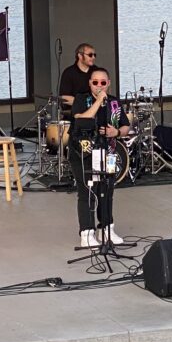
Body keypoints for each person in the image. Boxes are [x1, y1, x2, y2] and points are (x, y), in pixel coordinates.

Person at [69, 66, 130, 248]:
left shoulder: (114, 103)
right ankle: (87, 233)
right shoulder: (81, 99)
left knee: (107, 190)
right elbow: (81, 119)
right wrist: (97, 102)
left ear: (108, 84)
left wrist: (116, 131)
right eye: (95, 83)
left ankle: (107, 228)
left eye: (103, 83)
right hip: (83, 152)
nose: (99, 86)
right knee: (87, 191)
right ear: (90, 84)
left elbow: (126, 126)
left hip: (108, 152)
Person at [59, 43, 97, 109]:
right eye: (90, 55)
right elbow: (65, 98)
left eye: (94, 55)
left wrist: (77, 102)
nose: (93, 57)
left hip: (94, 113)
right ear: (80, 55)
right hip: (73, 115)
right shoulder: (69, 73)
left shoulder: (97, 71)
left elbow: (101, 96)